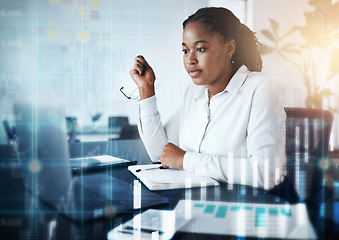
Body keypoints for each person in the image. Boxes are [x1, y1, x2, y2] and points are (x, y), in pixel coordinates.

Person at [129, 7, 286, 190]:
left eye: (200, 49)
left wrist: (185, 160)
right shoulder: (193, 92)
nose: (190, 60)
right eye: (185, 51)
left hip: (239, 207)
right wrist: (146, 89)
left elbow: (266, 173)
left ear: (229, 47)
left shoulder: (260, 87)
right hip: (193, 203)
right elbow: (160, 154)